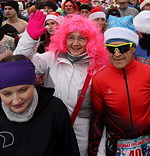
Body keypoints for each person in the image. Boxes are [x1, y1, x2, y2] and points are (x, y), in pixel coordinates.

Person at [14, 11, 109, 155]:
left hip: (82, 136)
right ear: (64, 38)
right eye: (71, 37)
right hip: (51, 130)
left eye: (82, 38)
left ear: (90, 41)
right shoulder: (51, 58)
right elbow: (18, 65)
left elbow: (105, 112)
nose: (75, 43)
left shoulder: (99, 65)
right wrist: (29, 39)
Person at [89, 15, 150, 155]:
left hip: (147, 142)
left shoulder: (149, 72)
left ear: (134, 48)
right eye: (111, 49)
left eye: (123, 48)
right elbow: (97, 117)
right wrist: (92, 150)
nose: (117, 54)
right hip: (115, 145)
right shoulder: (99, 79)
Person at [0, 55, 80, 155]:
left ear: (34, 84)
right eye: (7, 94)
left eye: (23, 90)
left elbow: (70, 150)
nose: (16, 101)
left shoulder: (55, 110)